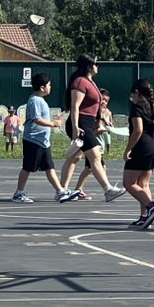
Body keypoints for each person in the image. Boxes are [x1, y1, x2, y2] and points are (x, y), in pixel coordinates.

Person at [58, 54, 126, 202]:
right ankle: (108, 190)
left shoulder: (90, 82)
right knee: (95, 156)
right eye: (95, 64)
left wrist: (100, 120)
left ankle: (61, 190)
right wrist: (76, 128)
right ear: (89, 66)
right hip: (81, 123)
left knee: (74, 158)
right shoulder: (80, 82)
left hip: (88, 123)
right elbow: (75, 107)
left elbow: (94, 107)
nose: (97, 66)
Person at [12, 73, 78, 204]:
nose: (50, 87)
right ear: (42, 87)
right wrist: (53, 124)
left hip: (43, 142)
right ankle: (18, 193)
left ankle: (60, 191)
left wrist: (55, 121)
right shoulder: (35, 100)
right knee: (28, 167)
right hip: (33, 140)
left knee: (49, 167)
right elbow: (37, 119)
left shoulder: (40, 100)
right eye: (49, 85)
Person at [123, 79, 154, 230]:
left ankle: (151, 207)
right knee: (143, 184)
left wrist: (128, 149)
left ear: (136, 93)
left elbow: (138, 130)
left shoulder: (137, 107)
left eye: (132, 94)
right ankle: (145, 217)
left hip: (142, 147)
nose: (132, 98)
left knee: (128, 183)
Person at [73, 88, 113, 200]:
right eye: (103, 99)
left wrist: (108, 126)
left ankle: (79, 189)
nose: (104, 102)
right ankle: (79, 189)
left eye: (106, 101)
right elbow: (92, 130)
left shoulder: (106, 113)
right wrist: (102, 128)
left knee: (91, 168)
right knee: (93, 167)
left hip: (100, 144)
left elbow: (109, 126)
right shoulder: (93, 113)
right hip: (93, 144)